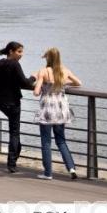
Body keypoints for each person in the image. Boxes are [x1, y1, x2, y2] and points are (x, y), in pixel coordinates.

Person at [33, 47, 82, 180]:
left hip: (48, 109)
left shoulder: (44, 71)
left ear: (47, 58)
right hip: (61, 109)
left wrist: (39, 81)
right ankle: (71, 168)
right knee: (61, 140)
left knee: (46, 141)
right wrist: (64, 82)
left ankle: (48, 173)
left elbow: (36, 92)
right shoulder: (65, 71)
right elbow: (79, 83)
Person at [0, 41, 36, 173]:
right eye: (19, 51)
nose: (21, 54)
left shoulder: (0, 63)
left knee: (14, 131)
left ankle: (16, 152)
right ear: (11, 52)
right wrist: (33, 77)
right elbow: (24, 82)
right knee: (14, 132)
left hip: (0, 101)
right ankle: (11, 162)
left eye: (21, 51)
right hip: (12, 102)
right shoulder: (15, 64)